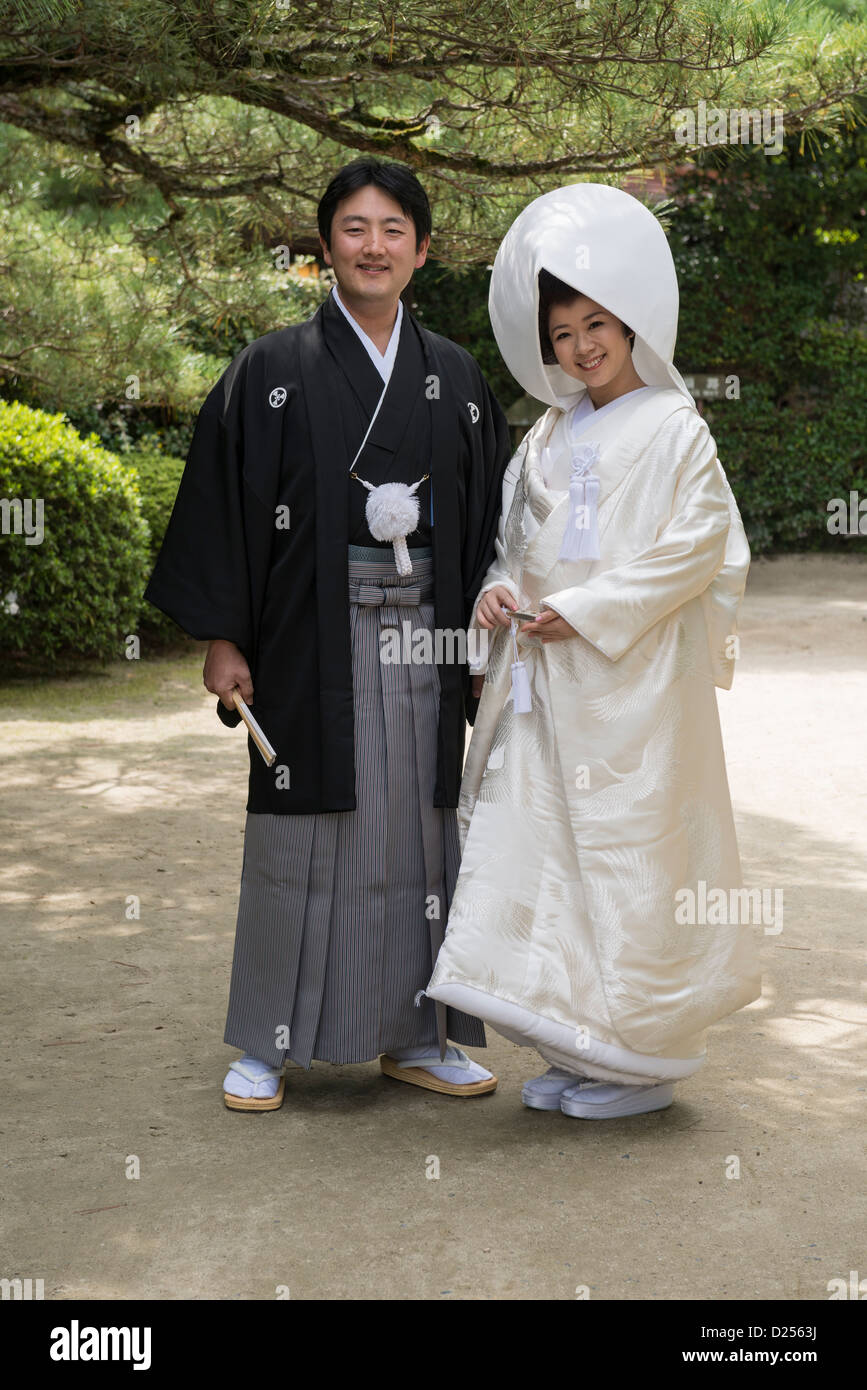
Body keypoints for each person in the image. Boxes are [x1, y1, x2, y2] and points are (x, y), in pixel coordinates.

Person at [144, 158, 513, 1110]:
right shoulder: (269, 371)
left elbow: (487, 528)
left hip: (429, 636)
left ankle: (419, 1037)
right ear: (325, 247)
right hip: (310, 635)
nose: (373, 246)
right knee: (298, 836)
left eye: (394, 229)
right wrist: (223, 635)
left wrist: (481, 645)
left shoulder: (457, 377)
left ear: (422, 251)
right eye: (354, 228)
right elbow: (224, 508)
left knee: (422, 841)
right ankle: (270, 1044)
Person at [425, 182, 762, 1120]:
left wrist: (592, 608)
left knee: (629, 855)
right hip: (541, 679)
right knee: (546, 855)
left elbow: (697, 548)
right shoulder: (541, 436)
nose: (580, 345)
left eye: (596, 322)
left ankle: (641, 1060)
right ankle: (580, 1043)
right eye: (562, 331)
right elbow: (513, 545)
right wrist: (498, 591)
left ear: (630, 321)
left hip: (631, 685)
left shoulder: (673, 427)